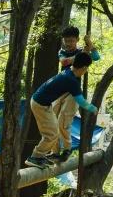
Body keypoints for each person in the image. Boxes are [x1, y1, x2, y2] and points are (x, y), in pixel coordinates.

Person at [28, 54, 98, 165]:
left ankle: (41, 156)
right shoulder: (72, 80)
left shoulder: (68, 71)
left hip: (42, 103)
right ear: (84, 68)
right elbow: (81, 101)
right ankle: (35, 157)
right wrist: (93, 108)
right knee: (52, 134)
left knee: (54, 131)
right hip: (40, 105)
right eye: (87, 68)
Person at [53, 27, 101, 155]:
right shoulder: (62, 51)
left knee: (63, 121)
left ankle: (66, 149)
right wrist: (81, 55)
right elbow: (64, 62)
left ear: (77, 39)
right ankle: (54, 151)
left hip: (73, 91)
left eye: (71, 41)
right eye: (66, 41)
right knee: (52, 120)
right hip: (60, 90)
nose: (68, 43)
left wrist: (89, 44)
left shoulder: (82, 50)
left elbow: (96, 57)